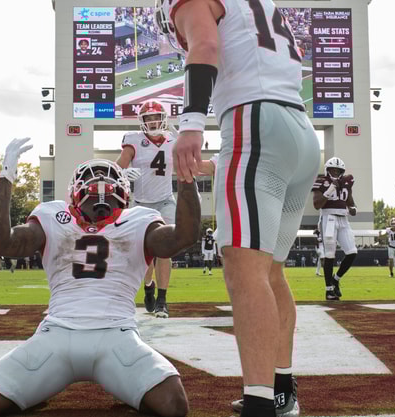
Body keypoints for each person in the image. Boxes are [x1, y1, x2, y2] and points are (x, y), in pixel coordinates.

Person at [157, 0, 319, 415]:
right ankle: (280, 391)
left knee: (245, 271)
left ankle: (260, 404)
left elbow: (206, 46)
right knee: (271, 271)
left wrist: (192, 124)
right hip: (300, 131)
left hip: (255, 122)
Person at [0, 139, 199, 417]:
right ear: (75, 192)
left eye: (108, 175)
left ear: (123, 190)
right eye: (93, 175)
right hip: (57, 332)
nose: (100, 181)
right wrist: (6, 176)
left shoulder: (140, 220)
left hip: (117, 335)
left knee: (173, 405)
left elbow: (184, 236)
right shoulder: (53, 216)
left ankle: (128, 387)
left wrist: (186, 178)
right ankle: (41, 389)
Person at [116, 99, 176, 318]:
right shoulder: (133, 140)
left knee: (164, 249)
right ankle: (148, 285)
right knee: (146, 254)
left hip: (166, 201)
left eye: (155, 118)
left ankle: (162, 299)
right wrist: (122, 173)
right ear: (142, 121)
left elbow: (191, 164)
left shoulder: (173, 140)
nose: (152, 122)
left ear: (163, 119)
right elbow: (117, 168)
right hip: (141, 203)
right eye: (147, 118)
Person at [311, 157, 357, 301]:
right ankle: (329, 290)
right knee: (329, 255)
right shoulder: (321, 181)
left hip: (343, 219)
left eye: (338, 170)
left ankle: (335, 279)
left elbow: (349, 200)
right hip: (328, 218)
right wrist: (331, 188)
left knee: (352, 252)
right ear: (327, 170)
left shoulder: (346, 182)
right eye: (333, 170)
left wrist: (353, 207)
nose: (336, 172)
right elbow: (317, 205)